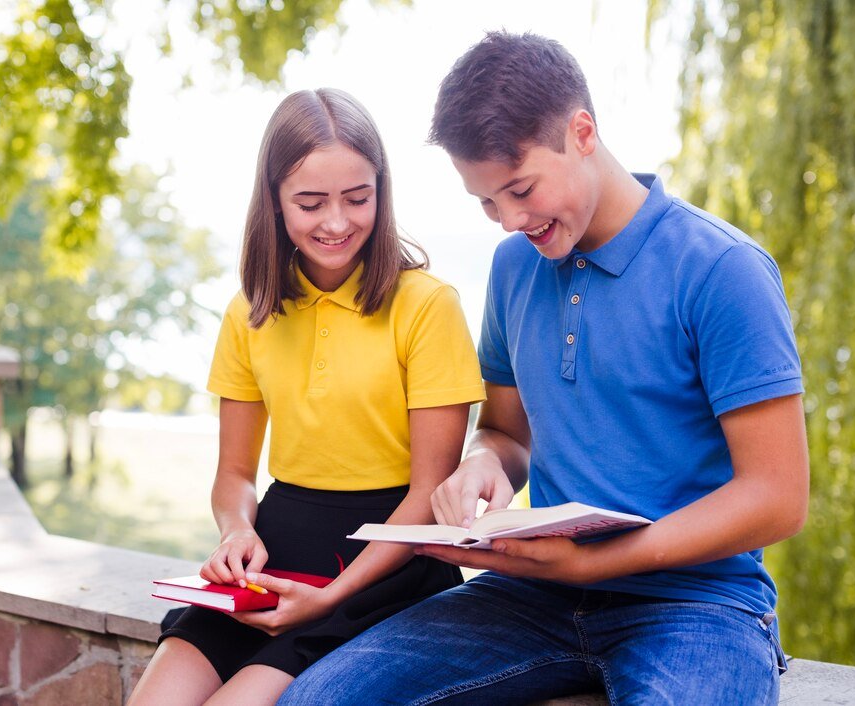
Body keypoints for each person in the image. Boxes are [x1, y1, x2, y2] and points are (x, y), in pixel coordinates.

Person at [280, 32, 809, 705]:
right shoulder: (514, 267)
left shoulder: (720, 270)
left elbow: (778, 496)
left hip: (698, 605)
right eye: (487, 202)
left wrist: (595, 561)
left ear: (581, 132)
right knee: (315, 701)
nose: (508, 221)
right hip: (536, 596)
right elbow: (507, 433)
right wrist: (483, 466)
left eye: (520, 189)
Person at [127, 88, 485, 706]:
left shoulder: (427, 305)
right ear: (274, 202)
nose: (337, 222)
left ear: (382, 191)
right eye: (310, 203)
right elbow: (235, 475)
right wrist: (235, 531)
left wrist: (331, 597)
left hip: (386, 562)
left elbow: (429, 494)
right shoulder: (250, 312)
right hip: (278, 548)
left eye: (358, 198)